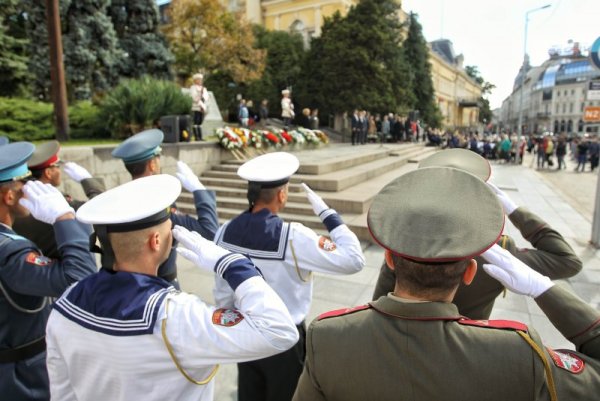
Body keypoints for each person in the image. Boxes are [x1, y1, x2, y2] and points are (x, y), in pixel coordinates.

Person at [293, 166, 600, 401]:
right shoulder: (517, 353)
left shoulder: (328, 337)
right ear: (468, 271)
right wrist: (542, 289)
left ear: (389, 259)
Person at [45, 174, 299, 401]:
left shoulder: (66, 301)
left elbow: (62, 392)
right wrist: (230, 262)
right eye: (170, 228)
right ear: (156, 241)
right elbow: (279, 331)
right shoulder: (177, 316)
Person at [213, 152, 365, 401]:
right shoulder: (293, 237)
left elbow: (222, 292)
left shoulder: (224, 231)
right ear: (282, 194)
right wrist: (327, 213)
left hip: (246, 333)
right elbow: (354, 259)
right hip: (284, 341)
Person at [372, 148, 582, 319]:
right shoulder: (497, 251)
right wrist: (514, 210)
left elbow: (379, 304)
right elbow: (568, 261)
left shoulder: (404, 240)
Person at [0, 142, 96, 401]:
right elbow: (81, 279)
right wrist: (64, 217)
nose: (28, 190)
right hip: (21, 377)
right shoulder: (9, 251)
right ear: (9, 197)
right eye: (23, 185)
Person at [112, 129, 219, 287]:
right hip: (161, 287)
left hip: (126, 285)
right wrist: (199, 190)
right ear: (152, 164)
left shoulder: (120, 200)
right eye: (158, 157)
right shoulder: (159, 203)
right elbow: (209, 231)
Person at [12, 140, 105, 259]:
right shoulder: (58, 204)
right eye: (57, 166)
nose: (60, 170)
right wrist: (88, 181)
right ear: (49, 173)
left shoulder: (18, 203)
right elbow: (100, 208)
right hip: (69, 268)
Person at [190, 73, 209, 141]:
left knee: (200, 122)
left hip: (202, 107)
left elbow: (206, 96)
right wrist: (199, 97)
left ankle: (200, 136)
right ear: (195, 80)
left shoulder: (203, 88)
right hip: (196, 107)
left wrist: (203, 98)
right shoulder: (193, 88)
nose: (200, 81)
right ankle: (196, 136)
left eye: (201, 80)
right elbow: (193, 97)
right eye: (198, 80)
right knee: (196, 121)